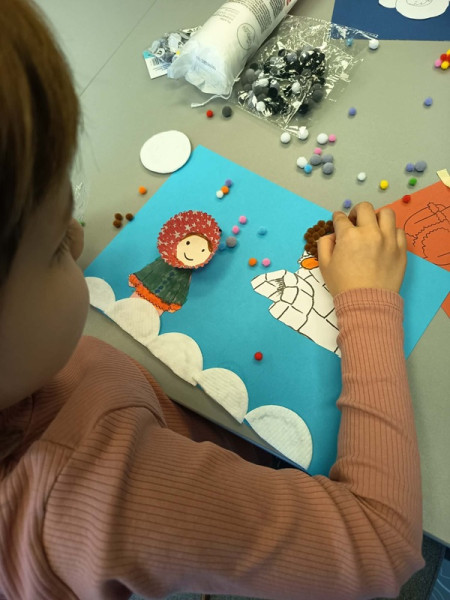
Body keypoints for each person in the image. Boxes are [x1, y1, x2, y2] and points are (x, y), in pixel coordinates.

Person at [0, 1, 424, 599]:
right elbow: (379, 546)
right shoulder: (100, 493)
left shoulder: (23, 365)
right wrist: (369, 300)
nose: (75, 234)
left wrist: (38, 230)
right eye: (52, 249)